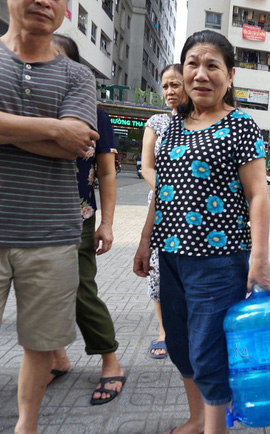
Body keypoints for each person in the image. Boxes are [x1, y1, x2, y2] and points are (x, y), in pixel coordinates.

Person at [133, 30, 270, 434]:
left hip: (219, 261)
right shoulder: (172, 126)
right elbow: (161, 191)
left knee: (210, 354)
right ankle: (198, 419)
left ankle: (215, 428)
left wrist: (260, 260)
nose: (201, 74)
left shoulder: (241, 125)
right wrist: (144, 241)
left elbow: (259, 195)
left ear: (230, 76)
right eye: (193, 63)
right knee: (180, 345)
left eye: (213, 65)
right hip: (170, 256)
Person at [0, 1, 99, 431]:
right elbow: (66, 136)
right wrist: (56, 127)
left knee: (41, 344)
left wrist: (8, 130)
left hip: (54, 233)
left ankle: (27, 424)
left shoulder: (78, 75)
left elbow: (77, 146)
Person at [47, 34, 125, 405]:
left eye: (56, 58)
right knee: (40, 292)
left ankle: (110, 360)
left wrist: (107, 223)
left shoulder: (95, 114)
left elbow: (107, 174)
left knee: (81, 290)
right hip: (25, 213)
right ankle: (57, 356)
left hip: (76, 216)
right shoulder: (25, 106)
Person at [140, 63, 187, 359]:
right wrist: (171, 189)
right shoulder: (156, 122)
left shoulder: (200, 121)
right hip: (160, 206)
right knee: (158, 272)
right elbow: (146, 167)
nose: (169, 91)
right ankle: (164, 330)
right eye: (166, 85)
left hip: (195, 211)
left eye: (176, 85)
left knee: (188, 269)